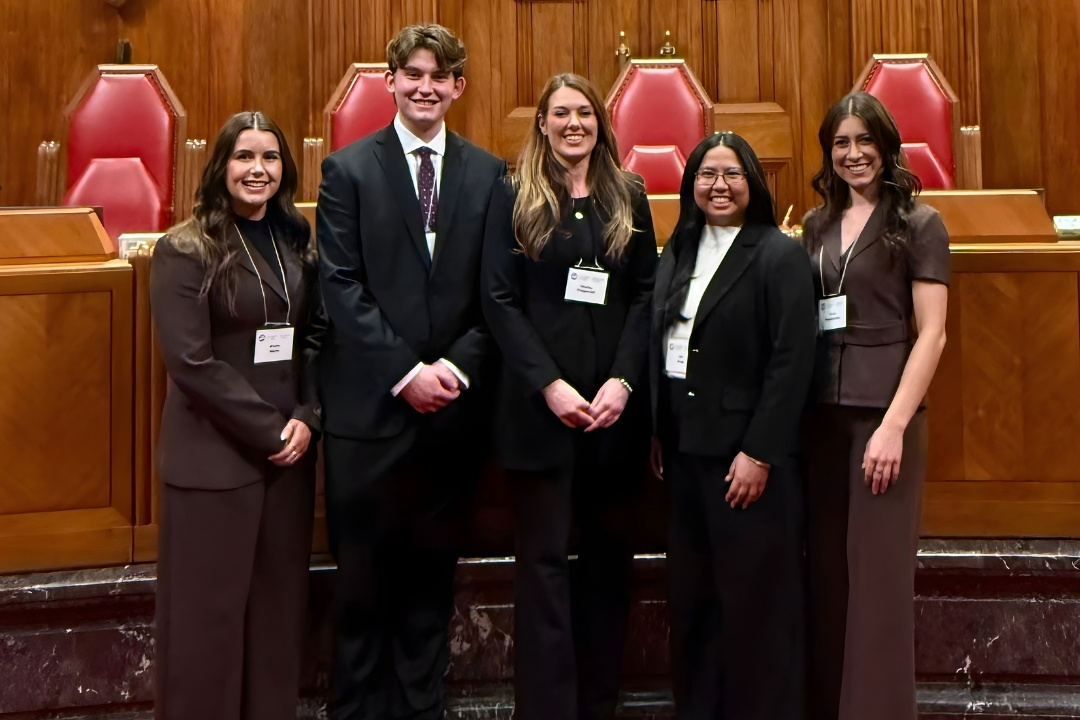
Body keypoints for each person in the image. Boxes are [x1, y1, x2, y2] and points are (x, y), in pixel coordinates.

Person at [315, 23, 507, 720]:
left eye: (440, 76)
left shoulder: (489, 174)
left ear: (458, 86)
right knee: (362, 592)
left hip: (449, 421)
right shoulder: (347, 171)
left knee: (431, 591)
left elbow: (498, 295)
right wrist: (405, 372)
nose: (425, 87)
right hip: (371, 418)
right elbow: (340, 286)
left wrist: (452, 367)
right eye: (412, 75)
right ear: (390, 81)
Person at [481, 72, 657, 720]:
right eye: (561, 114)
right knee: (545, 570)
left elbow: (646, 293)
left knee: (609, 567)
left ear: (600, 123)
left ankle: (599, 703)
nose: (574, 123)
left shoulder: (628, 194)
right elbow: (498, 299)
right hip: (539, 416)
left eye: (584, 113)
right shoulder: (512, 195)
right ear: (543, 124)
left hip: (614, 417)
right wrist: (549, 385)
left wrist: (623, 380)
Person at [149, 110, 322, 720]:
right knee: (206, 632)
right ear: (221, 166)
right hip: (214, 463)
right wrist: (269, 428)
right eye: (244, 157)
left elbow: (311, 341)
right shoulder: (184, 248)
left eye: (270, 158)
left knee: (275, 628)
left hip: (288, 463)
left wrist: (307, 413)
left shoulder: (295, 241)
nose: (258, 169)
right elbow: (190, 363)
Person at [649, 131, 815, 720]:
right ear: (690, 183)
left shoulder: (778, 254)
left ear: (753, 184)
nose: (718, 186)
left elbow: (792, 362)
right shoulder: (679, 250)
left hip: (748, 463)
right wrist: (658, 430)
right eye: (706, 174)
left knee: (756, 611)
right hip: (687, 458)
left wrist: (760, 452)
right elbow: (661, 344)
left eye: (732, 174)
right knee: (696, 606)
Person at [802, 91, 949, 720]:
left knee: (880, 587)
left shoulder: (920, 224)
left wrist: (892, 426)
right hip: (822, 419)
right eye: (841, 143)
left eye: (865, 141)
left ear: (887, 147)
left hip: (882, 420)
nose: (853, 154)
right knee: (830, 582)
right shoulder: (813, 225)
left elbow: (933, 334)